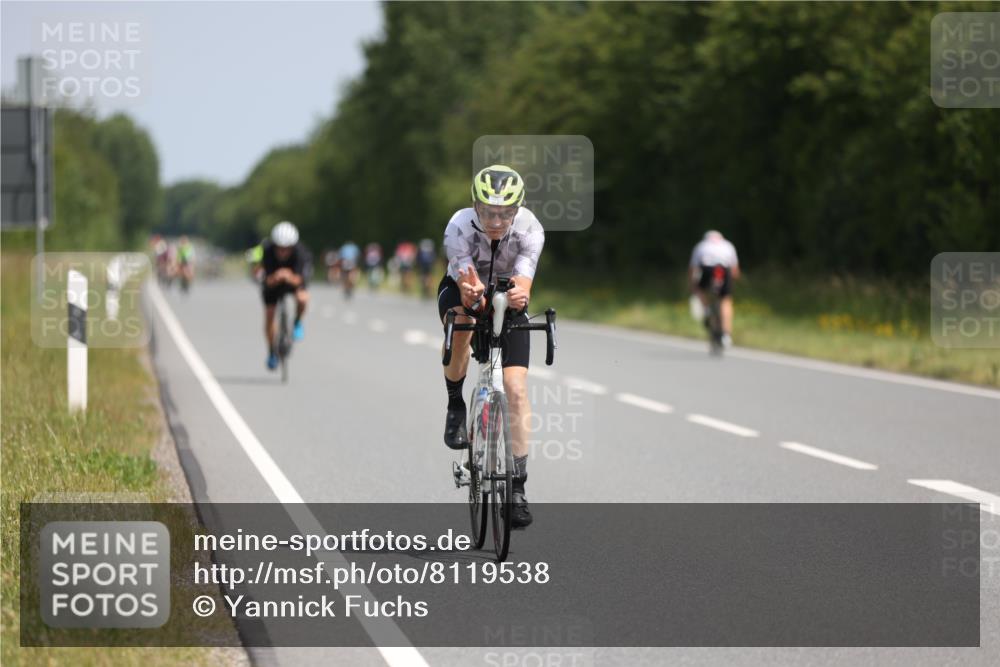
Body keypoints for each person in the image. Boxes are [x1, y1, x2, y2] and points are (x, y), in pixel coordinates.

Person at [438, 164, 544, 528]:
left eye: (505, 213)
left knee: (515, 389)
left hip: (506, 295)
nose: (496, 221)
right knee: (464, 325)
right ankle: (455, 402)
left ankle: (517, 488)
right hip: (462, 290)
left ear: (518, 209)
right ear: (474, 205)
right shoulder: (458, 226)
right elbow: (466, 280)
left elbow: (525, 283)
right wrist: (473, 295)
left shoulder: (530, 229)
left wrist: (518, 295)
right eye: (487, 212)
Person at [260, 221, 310, 370]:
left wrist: (288, 276)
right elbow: (265, 280)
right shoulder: (267, 251)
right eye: (279, 249)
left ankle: (297, 322)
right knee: (269, 314)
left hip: (293, 281)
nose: (282, 252)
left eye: (286, 249)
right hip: (273, 284)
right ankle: (271, 351)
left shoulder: (301, 253)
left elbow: (301, 279)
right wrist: (275, 277)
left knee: (303, 298)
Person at [689, 230, 741, 348]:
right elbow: (735, 271)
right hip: (723, 270)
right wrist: (732, 282)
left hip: (707, 270)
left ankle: (706, 309)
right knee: (725, 300)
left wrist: (693, 286)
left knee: (699, 290)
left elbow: (693, 268)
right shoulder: (728, 245)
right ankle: (726, 335)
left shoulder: (701, 246)